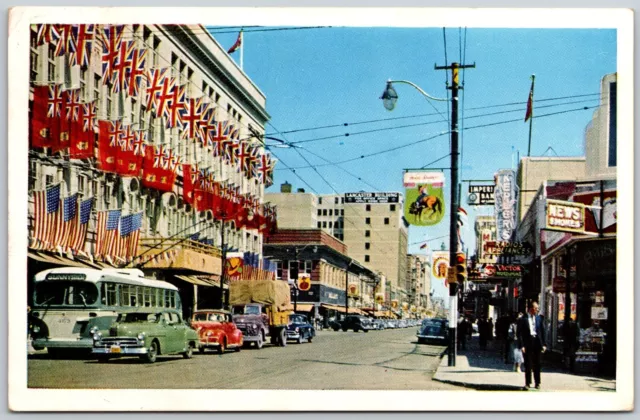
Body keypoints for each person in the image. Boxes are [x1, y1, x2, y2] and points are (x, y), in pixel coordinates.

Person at [517, 301, 547, 390]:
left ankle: (537, 383)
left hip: (537, 342)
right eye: (536, 308)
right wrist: (522, 345)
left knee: (538, 364)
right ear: (531, 308)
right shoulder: (523, 319)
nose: (537, 310)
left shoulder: (539, 319)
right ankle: (528, 383)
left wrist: (544, 344)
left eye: (538, 308)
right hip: (528, 343)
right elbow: (519, 334)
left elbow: (542, 332)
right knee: (528, 364)